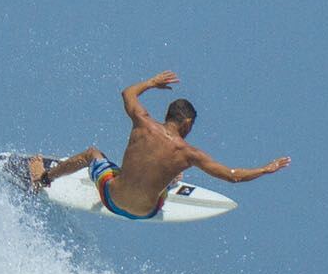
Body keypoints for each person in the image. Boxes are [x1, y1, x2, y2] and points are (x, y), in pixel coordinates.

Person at [29, 71, 291, 220]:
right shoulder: (189, 154)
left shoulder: (142, 122)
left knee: (92, 153)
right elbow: (233, 176)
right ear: (187, 123)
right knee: (171, 172)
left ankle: (43, 179)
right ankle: (170, 180)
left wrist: (152, 83)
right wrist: (265, 169)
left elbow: (127, 93)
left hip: (111, 199)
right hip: (147, 211)